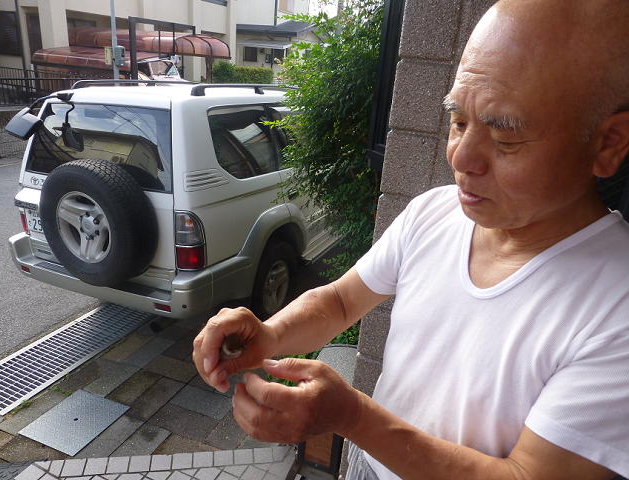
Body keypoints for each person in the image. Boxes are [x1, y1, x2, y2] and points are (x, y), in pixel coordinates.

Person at [192, 0, 629, 478]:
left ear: (608, 144)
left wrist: (352, 417)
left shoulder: (616, 305)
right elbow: (341, 301)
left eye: (505, 139)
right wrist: (270, 334)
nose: (461, 157)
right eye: (458, 122)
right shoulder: (434, 212)